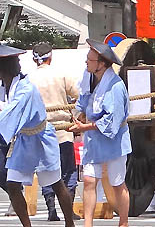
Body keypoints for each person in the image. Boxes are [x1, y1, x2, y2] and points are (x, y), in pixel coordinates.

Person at [0, 44, 76, 227]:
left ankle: (69, 223)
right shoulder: (4, 86)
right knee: (12, 184)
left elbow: (10, 113)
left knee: (56, 183)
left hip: (42, 137)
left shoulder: (26, 88)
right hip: (24, 139)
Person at [70, 40, 131, 227]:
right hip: (93, 140)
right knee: (89, 181)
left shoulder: (116, 86)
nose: (86, 62)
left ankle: (124, 222)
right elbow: (82, 100)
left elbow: (112, 120)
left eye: (90, 59)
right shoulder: (89, 77)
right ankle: (88, 224)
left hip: (114, 140)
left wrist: (84, 127)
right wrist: (73, 116)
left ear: (101, 64)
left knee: (117, 183)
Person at [28, 42, 79, 222]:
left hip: (40, 131)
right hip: (63, 130)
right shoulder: (61, 74)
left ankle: (51, 208)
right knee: (68, 171)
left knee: (47, 171)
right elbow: (79, 95)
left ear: (34, 59)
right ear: (51, 56)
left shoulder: (29, 79)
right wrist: (77, 116)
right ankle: (69, 210)